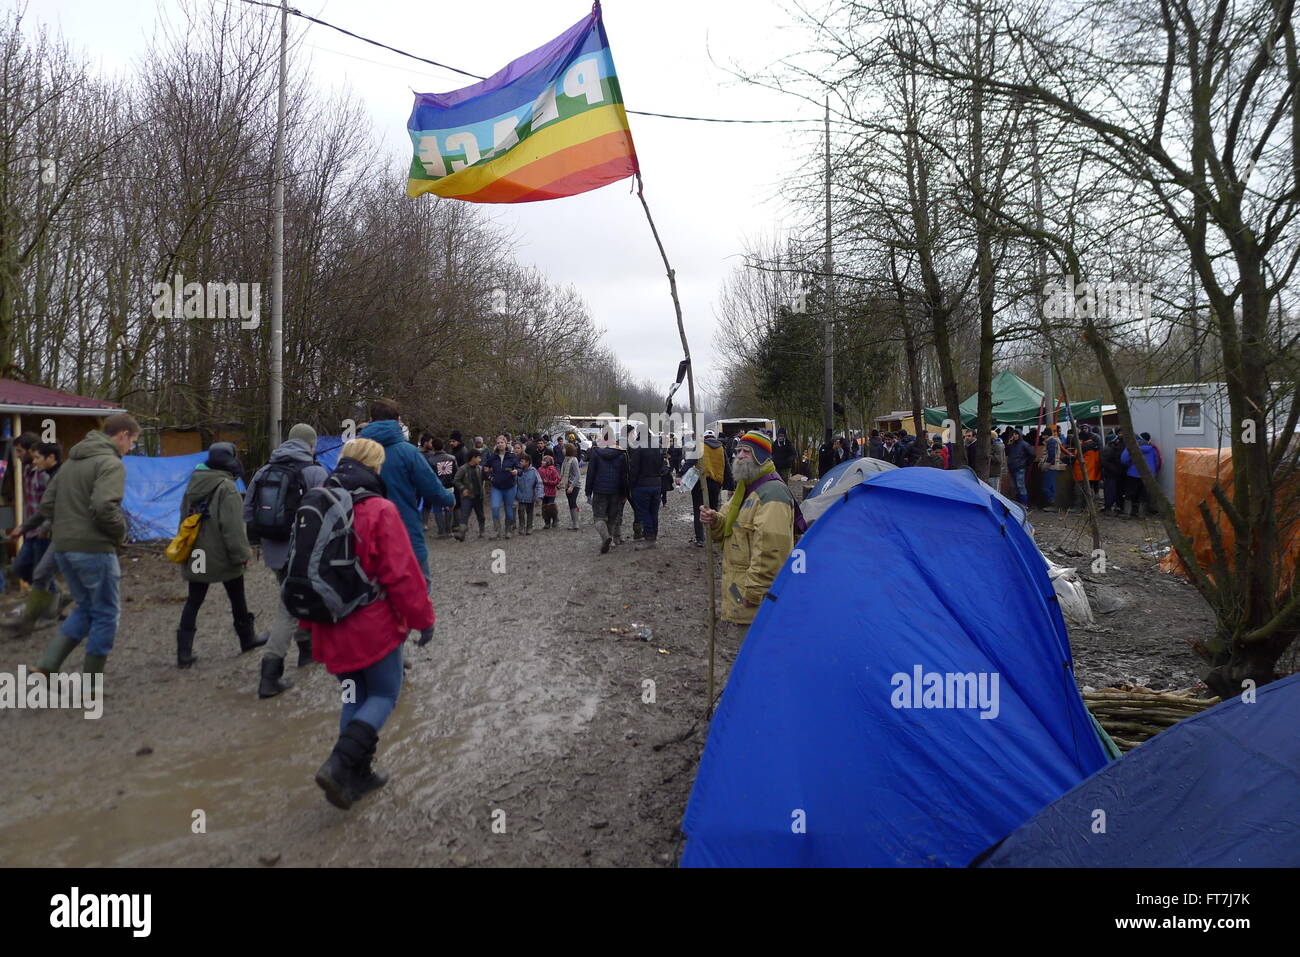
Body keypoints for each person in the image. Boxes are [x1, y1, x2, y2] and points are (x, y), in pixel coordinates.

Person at [309, 439, 433, 810]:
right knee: (383, 694)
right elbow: (402, 575)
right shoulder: (379, 509)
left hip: (328, 623)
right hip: (371, 626)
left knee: (353, 695)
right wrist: (423, 619)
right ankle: (340, 763)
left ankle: (357, 773)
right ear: (375, 467)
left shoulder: (316, 501)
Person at [32, 413, 141, 677]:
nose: (131, 448)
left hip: (63, 548)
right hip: (94, 549)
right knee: (106, 613)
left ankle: (46, 666)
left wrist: (68, 525)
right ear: (123, 435)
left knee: (86, 607)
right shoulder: (111, 464)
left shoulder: (70, 463)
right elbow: (104, 507)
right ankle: (91, 686)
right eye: (134, 442)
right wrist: (119, 534)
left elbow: (47, 505)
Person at [243, 423, 329, 697]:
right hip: (303, 552)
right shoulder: (315, 472)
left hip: (274, 552)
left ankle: (306, 653)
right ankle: (269, 674)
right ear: (310, 445)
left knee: (293, 599)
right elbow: (327, 515)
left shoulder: (265, 470)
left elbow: (247, 512)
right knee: (289, 609)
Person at [360, 399, 453, 647]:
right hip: (405, 533)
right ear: (398, 421)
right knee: (419, 584)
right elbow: (433, 490)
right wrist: (450, 497)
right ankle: (402, 637)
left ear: (371, 419)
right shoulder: (408, 452)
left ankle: (385, 645)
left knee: (376, 591)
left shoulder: (356, 452)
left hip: (364, 536)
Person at [174, 442, 260, 668]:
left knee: (194, 599)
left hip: (198, 552)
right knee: (237, 597)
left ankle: (183, 653)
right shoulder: (227, 486)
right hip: (222, 554)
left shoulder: (193, 483)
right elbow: (232, 527)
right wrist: (241, 554)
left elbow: (183, 518)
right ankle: (247, 639)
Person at [699, 431, 796, 626]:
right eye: (739, 451)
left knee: (756, 651)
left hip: (756, 600)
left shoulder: (772, 493)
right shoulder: (745, 488)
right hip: (739, 588)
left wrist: (754, 592)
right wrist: (714, 520)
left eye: (747, 451)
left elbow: (772, 551)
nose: (740, 455)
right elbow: (726, 526)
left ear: (761, 457)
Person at [4, 439, 65, 637]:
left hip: (49, 533)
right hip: (34, 529)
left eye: (21, 452)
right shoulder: (32, 472)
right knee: (25, 569)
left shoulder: (52, 477)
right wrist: (24, 527)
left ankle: (37, 617)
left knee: (41, 575)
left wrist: (44, 526)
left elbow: (53, 508)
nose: (18, 456)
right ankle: (53, 602)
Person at [584, 430, 629, 553]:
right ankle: (610, 540)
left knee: (598, 517)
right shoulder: (622, 454)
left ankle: (606, 538)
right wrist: (625, 493)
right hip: (616, 491)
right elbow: (624, 476)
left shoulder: (596, 453)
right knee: (612, 518)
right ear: (614, 440)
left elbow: (591, 473)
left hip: (599, 490)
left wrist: (588, 491)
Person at [628, 427, 665, 550]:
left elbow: (634, 469)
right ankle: (653, 534)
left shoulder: (637, 447)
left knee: (644, 512)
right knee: (654, 511)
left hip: (642, 485)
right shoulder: (658, 446)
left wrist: (631, 485)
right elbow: (662, 465)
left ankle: (649, 536)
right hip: (657, 483)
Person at [482, 434, 522, 539]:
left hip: (510, 487)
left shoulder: (512, 456)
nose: (500, 444)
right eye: (498, 443)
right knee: (495, 507)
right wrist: (490, 477)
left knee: (508, 509)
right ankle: (497, 531)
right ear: (496, 445)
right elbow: (485, 468)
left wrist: (516, 471)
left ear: (506, 443)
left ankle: (508, 530)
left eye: (502, 442)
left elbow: (520, 468)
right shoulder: (492, 457)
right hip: (496, 487)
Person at [1121, 432, 1161, 518]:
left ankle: (1127, 513)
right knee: (1144, 495)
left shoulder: (1132, 447)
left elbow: (1124, 459)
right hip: (1148, 475)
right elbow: (1157, 463)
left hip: (1133, 474)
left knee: (1129, 494)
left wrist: (1130, 465)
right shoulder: (1152, 449)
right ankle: (1141, 515)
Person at [425, 438, 458, 538]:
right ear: (443, 446)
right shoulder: (452, 458)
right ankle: (449, 531)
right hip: (449, 487)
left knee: (437, 509)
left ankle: (441, 532)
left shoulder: (430, 460)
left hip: (437, 488)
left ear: (433, 447)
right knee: (450, 507)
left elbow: (429, 476)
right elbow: (456, 473)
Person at [452, 449, 485, 540]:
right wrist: (462, 488)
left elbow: (485, 478)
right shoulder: (463, 468)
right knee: (464, 515)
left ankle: (482, 531)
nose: (480, 459)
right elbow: (456, 480)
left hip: (478, 496)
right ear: (473, 458)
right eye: (478, 457)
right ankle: (461, 534)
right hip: (467, 497)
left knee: (480, 515)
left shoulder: (480, 468)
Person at [514, 454, 543, 535]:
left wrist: (539, 495)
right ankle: (521, 526)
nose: (520, 463)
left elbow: (539, 483)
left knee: (530, 512)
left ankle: (529, 527)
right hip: (520, 495)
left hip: (531, 496)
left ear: (527, 462)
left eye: (522, 461)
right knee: (520, 511)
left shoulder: (534, 471)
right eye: (520, 461)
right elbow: (514, 482)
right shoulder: (518, 471)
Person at [1100, 432, 1128, 515]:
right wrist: (1116, 470)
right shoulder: (1108, 450)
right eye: (1116, 439)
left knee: (1111, 491)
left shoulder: (1110, 448)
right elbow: (1105, 462)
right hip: (1110, 474)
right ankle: (1108, 509)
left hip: (1111, 473)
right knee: (1110, 491)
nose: (1118, 441)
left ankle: (1109, 507)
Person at [1004, 430, 1035, 505]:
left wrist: (1026, 463)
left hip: (1020, 467)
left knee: (1020, 486)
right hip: (1012, 467)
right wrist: (1008, 444)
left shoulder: (1024, 444)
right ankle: (1019, 504)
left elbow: (1033, 455)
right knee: (1015, 487)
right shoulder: (1012, 444)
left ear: (1020, 435)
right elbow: (1006, 453)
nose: (1014, 436)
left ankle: (1024, 504)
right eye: (1013, 434)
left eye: (1016, 434)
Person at [559, 443, 582, 530]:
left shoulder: (574, 460)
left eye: (564, 449)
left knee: (572, 502)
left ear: (568, 450)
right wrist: (561, 482)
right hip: (567, 485)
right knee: (570, 503)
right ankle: (574, 521)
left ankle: (576, 523)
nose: (562, 450)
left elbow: (577, 475)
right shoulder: (565, 459)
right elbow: (563, 473)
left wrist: (572, 486)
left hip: (574, 485)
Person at [1040, 425, 1064, 509]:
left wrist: (1045, 465)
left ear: (1046, 435)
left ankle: (1053, 505)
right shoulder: (1054, 441)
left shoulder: (1051, 441)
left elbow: (1051, 456)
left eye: (1043, 434)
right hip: (1053, 467)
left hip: (1050, 467)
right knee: (1051, 487)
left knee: (1045, 488)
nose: (1042, 436)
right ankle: (1053, 505)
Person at [538, 455, 561, 529]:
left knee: (551, 507)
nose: (542, 462)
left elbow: (557, 480)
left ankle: (555, 520)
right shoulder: (540, 469)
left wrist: (548, 482)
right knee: (544, 507)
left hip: (551, 492)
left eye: (544, 461)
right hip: (543, 492)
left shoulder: (553, 470)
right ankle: (547, 522)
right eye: (542, 460)